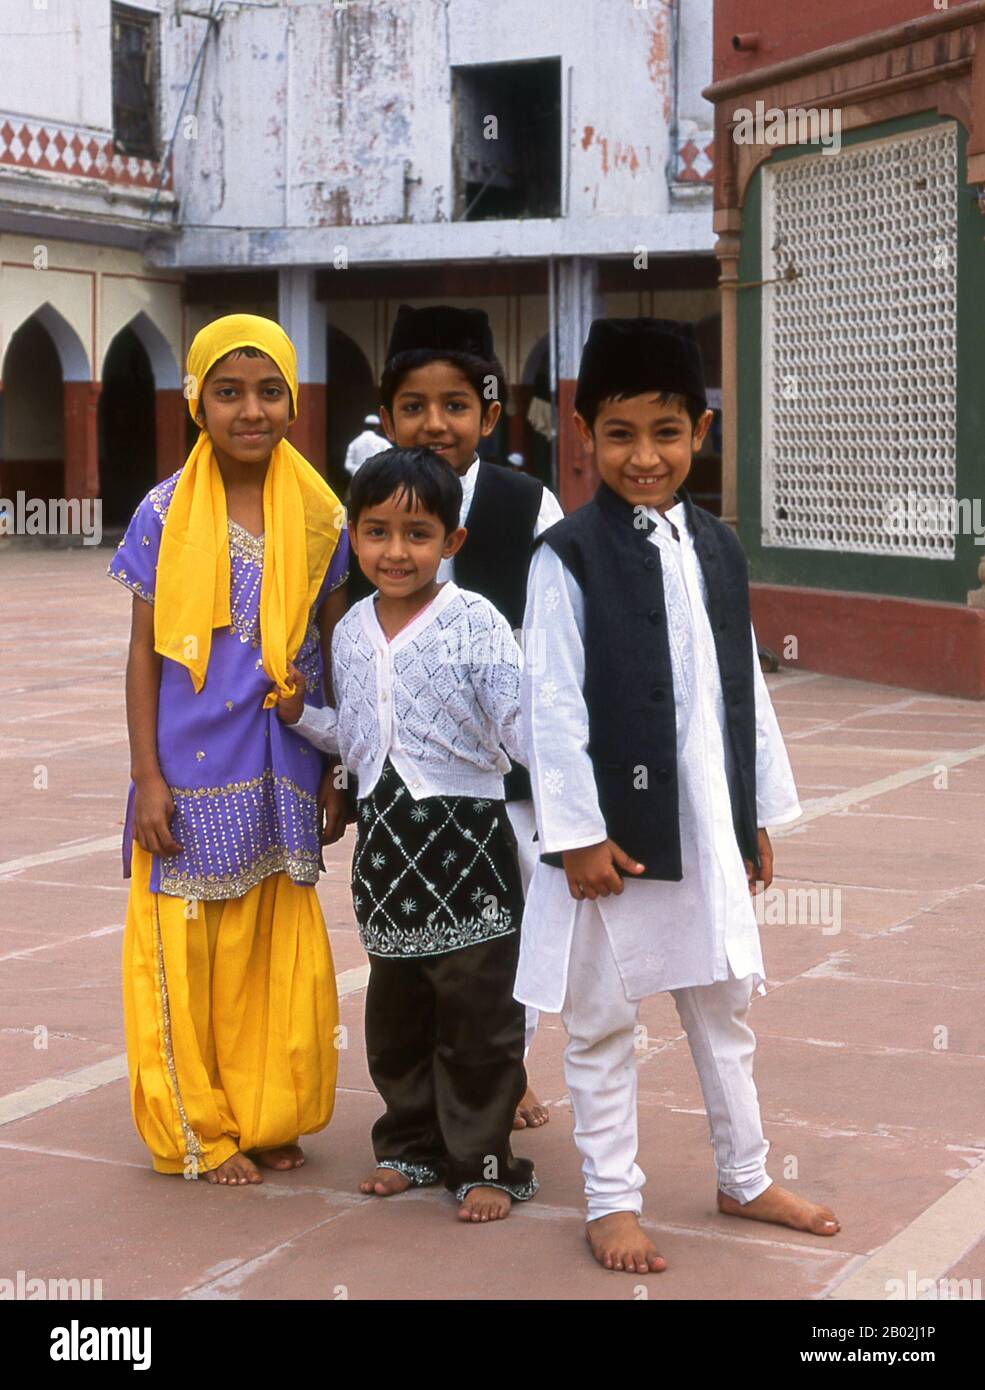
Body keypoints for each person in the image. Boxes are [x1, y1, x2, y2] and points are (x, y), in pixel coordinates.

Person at [516, 317, 841, 1273]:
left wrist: (750, 815)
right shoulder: (564, 556)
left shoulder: (716, 547)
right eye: (619, 433)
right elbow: (549, 702)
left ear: (699, 432)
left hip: (703, 823)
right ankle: (611, 1201)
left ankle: (745, 1176)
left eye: (665, 432)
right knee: (603, 1020)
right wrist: (575, 834)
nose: (643, 455)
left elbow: (740, 688)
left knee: (722, 1003)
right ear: (582, 435)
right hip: (608, 843)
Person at [108, 313, 349, 1187]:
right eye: (229, 392)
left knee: (271, 944)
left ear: (293, 400)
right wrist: (146, 777)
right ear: (196, 404)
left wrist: (336, 769)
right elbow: (143, 652)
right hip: (185, 769)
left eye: (270, 391)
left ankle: (269, 1113)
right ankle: (199, 1128)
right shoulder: (165, 510)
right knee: (189, 945)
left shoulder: (323, 513)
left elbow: (329, 653)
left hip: (284, 762)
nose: (252, 410)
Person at [277, 446, 537, 1223]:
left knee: (477, 1014)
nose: (396, 552)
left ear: (451, 542)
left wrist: (583, 803)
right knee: (396, 1012)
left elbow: (522, 726)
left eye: (417, 534)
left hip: (468, 840)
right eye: (377, 532)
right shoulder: (351, 631)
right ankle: (409, 1148)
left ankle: (484, 1160)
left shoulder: (475, 620)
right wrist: (301, 717)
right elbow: (354, 735)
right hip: (387, 845)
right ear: (352, 537)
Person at [372, 303, 564, 1129]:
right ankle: (427, 1097)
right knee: (422, 937)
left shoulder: (528, 506)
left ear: (490, 414)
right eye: (413, 406)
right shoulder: (372, 502)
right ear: (387, 417)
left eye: (455, 406)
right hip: (407, 776)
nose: (433, 424)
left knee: (501, 931)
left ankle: (503, 1071)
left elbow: (559, 641)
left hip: (507, 778)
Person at [344, 413, 388, 479]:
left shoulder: (354, 443)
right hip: (377, 480)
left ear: (364, 426)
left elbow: (348, 464)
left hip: (359, 481)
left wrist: (359, 473)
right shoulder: (383, 442)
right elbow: (391, 460)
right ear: (377, 427)